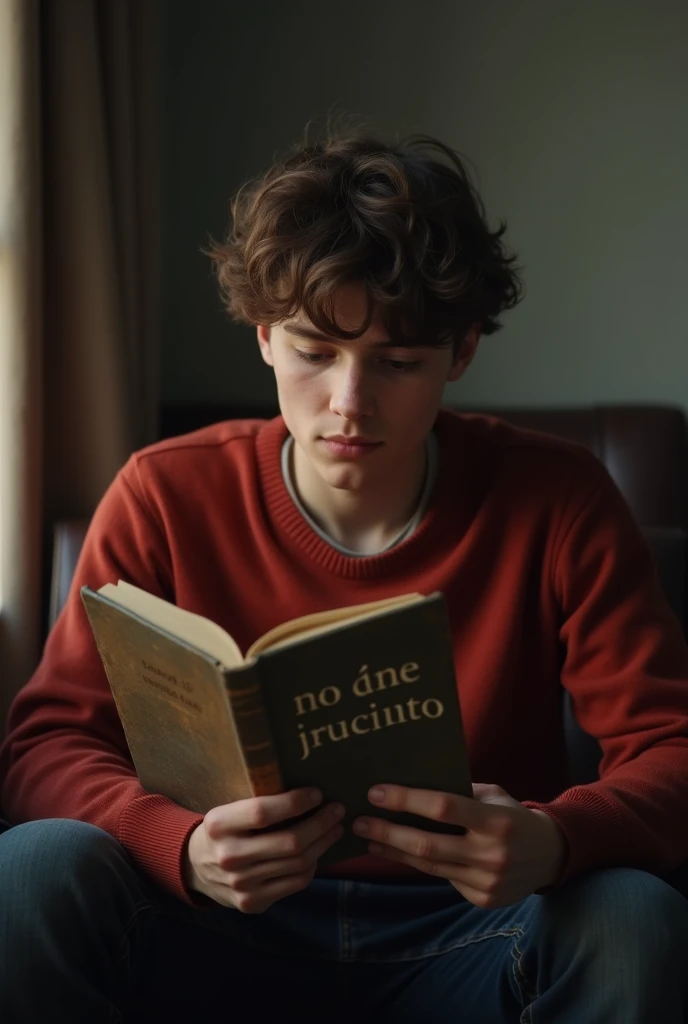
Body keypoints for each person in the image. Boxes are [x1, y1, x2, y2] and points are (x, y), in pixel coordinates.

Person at [1, 129, 687, 1024]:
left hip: (474, 931)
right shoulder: (163, 493)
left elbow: (674, 746)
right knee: (27, 875)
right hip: (208, 920)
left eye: (398, 364)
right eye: (314, 351)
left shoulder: (559, 500)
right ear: (263, 337)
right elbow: (46, 746)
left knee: (636, 920)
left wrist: (555, 840)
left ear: (463, 350)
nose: (349, 403)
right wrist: (179, 846)